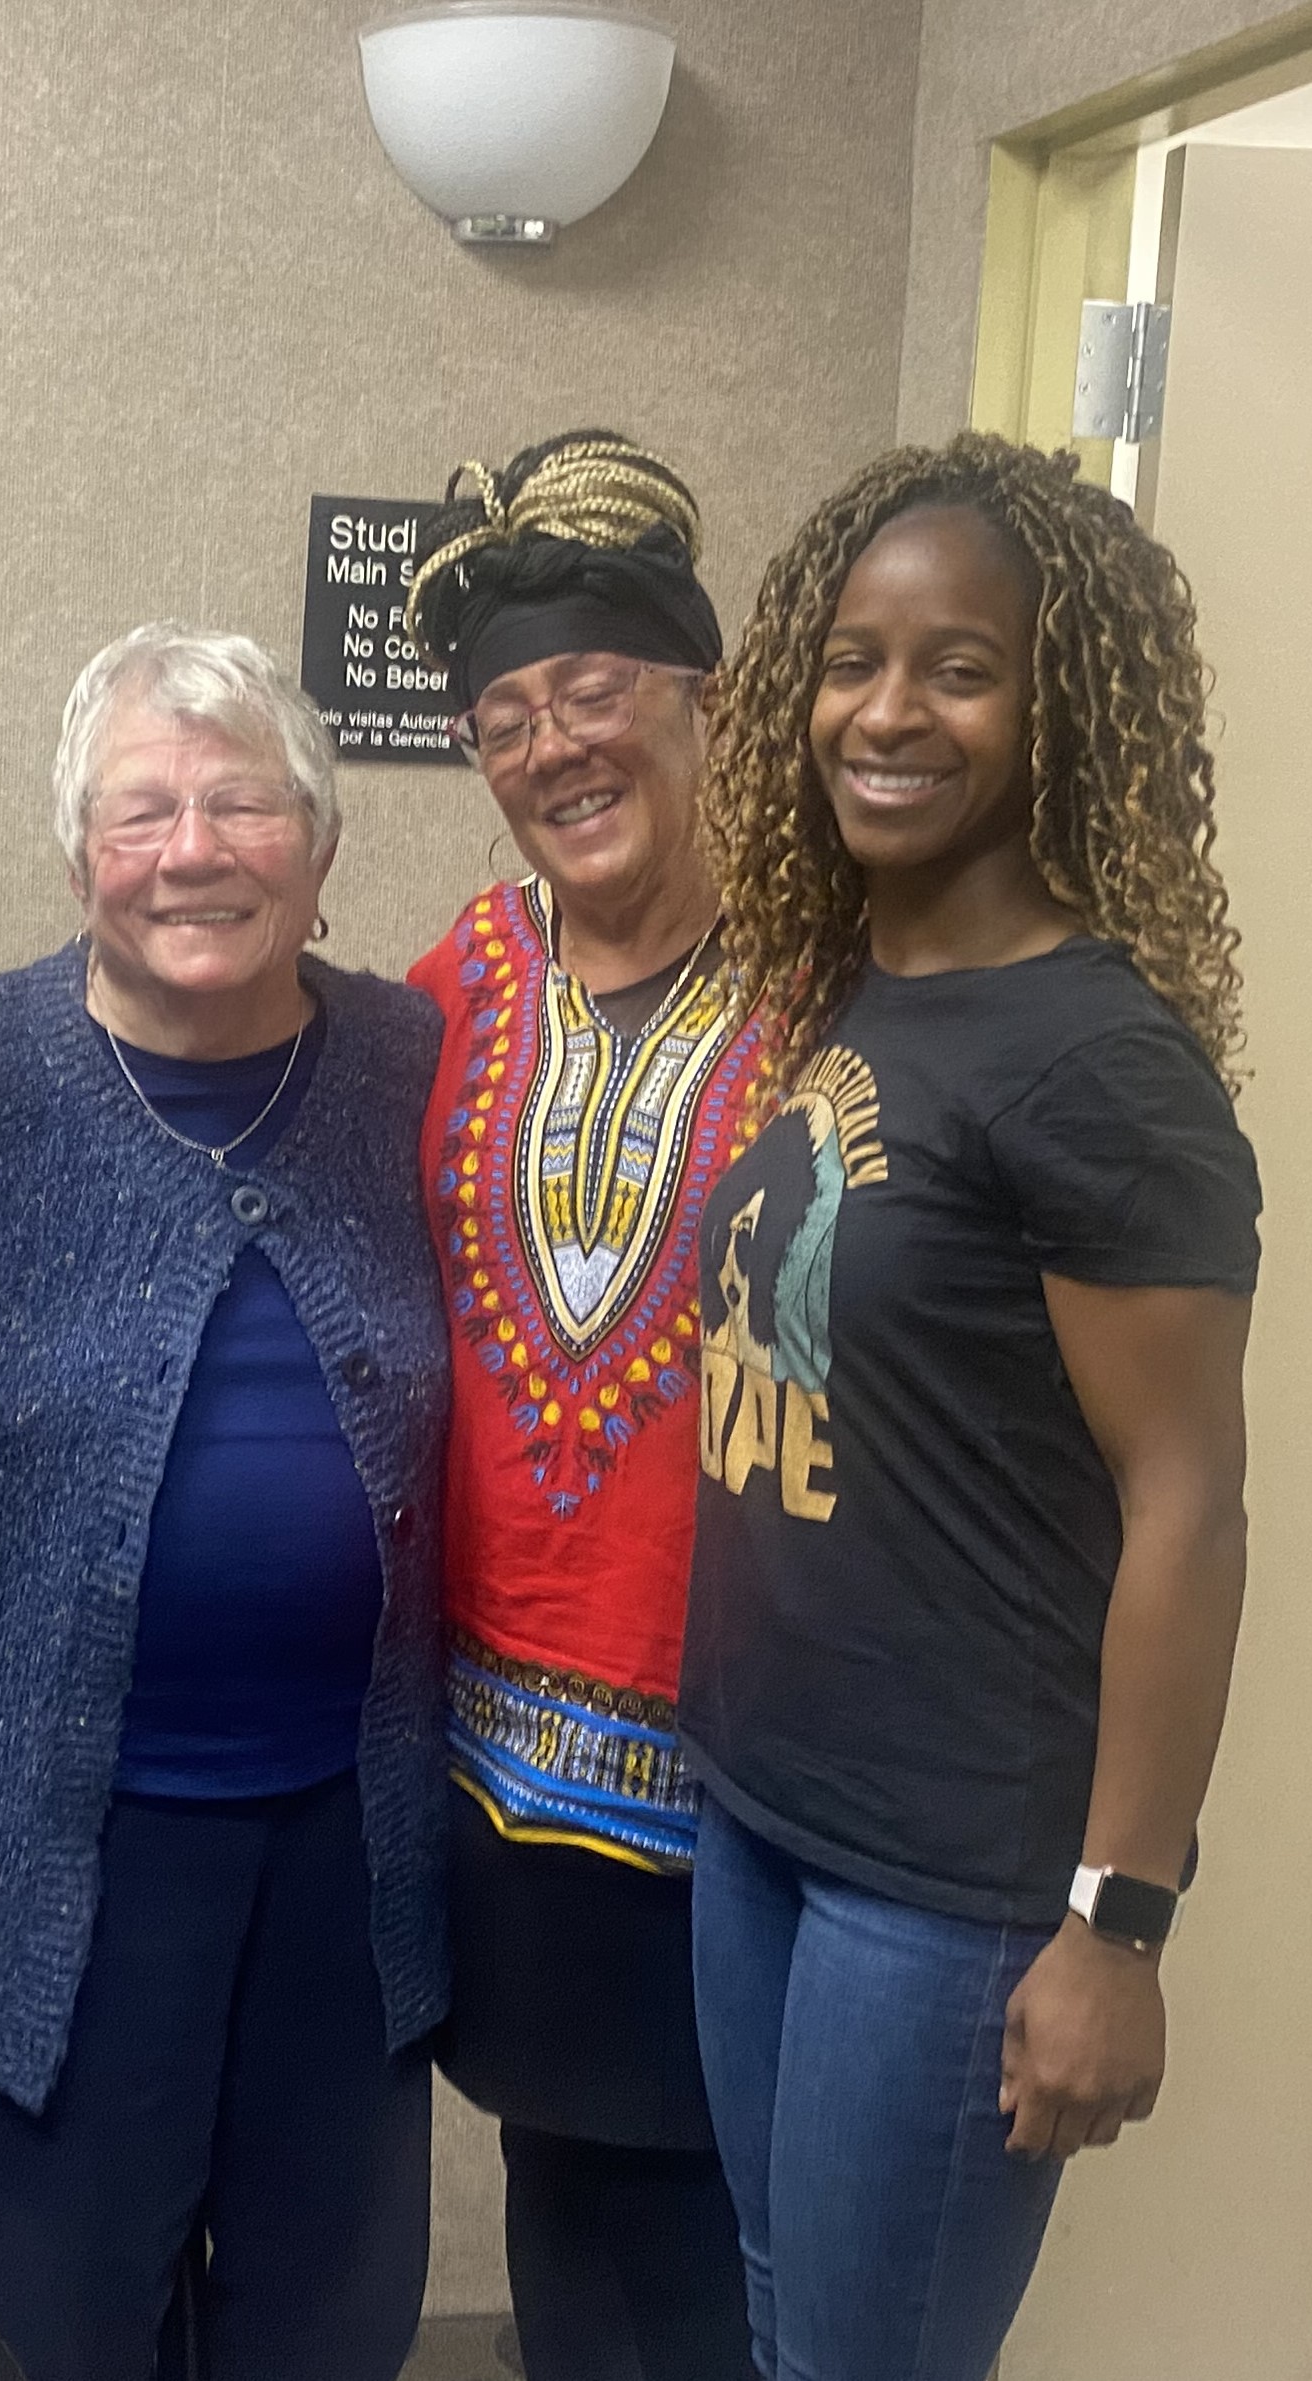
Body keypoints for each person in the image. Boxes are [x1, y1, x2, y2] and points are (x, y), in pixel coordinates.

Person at [683, 432, 1257, 2381]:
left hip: (944, 1884)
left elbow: (1184, 1503)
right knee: (780, 2324)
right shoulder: (844, 988)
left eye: (957, 666)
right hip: (763, 1812)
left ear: (1055, 703)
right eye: (851, 657)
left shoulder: (1095, 1063)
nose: (886, 710)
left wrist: (1113, 1923)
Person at [0, 623, 450, 2381]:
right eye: (141, 813)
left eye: (241, 804)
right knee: (57, 2328)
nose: (191, 851)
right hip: (61, 1849)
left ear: (321, 842)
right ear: (77, 855)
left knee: (323, 2324)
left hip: (351, 1847)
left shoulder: (408, 1062)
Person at [398, 431, 757, 2379]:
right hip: (505, 1784)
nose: (550, 747)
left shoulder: (846, 984)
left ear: (704, 698)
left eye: (595, 692)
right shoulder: (449, 984)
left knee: (740, 2277)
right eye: (505, 718)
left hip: (771, 1785)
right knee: (572, 2256)